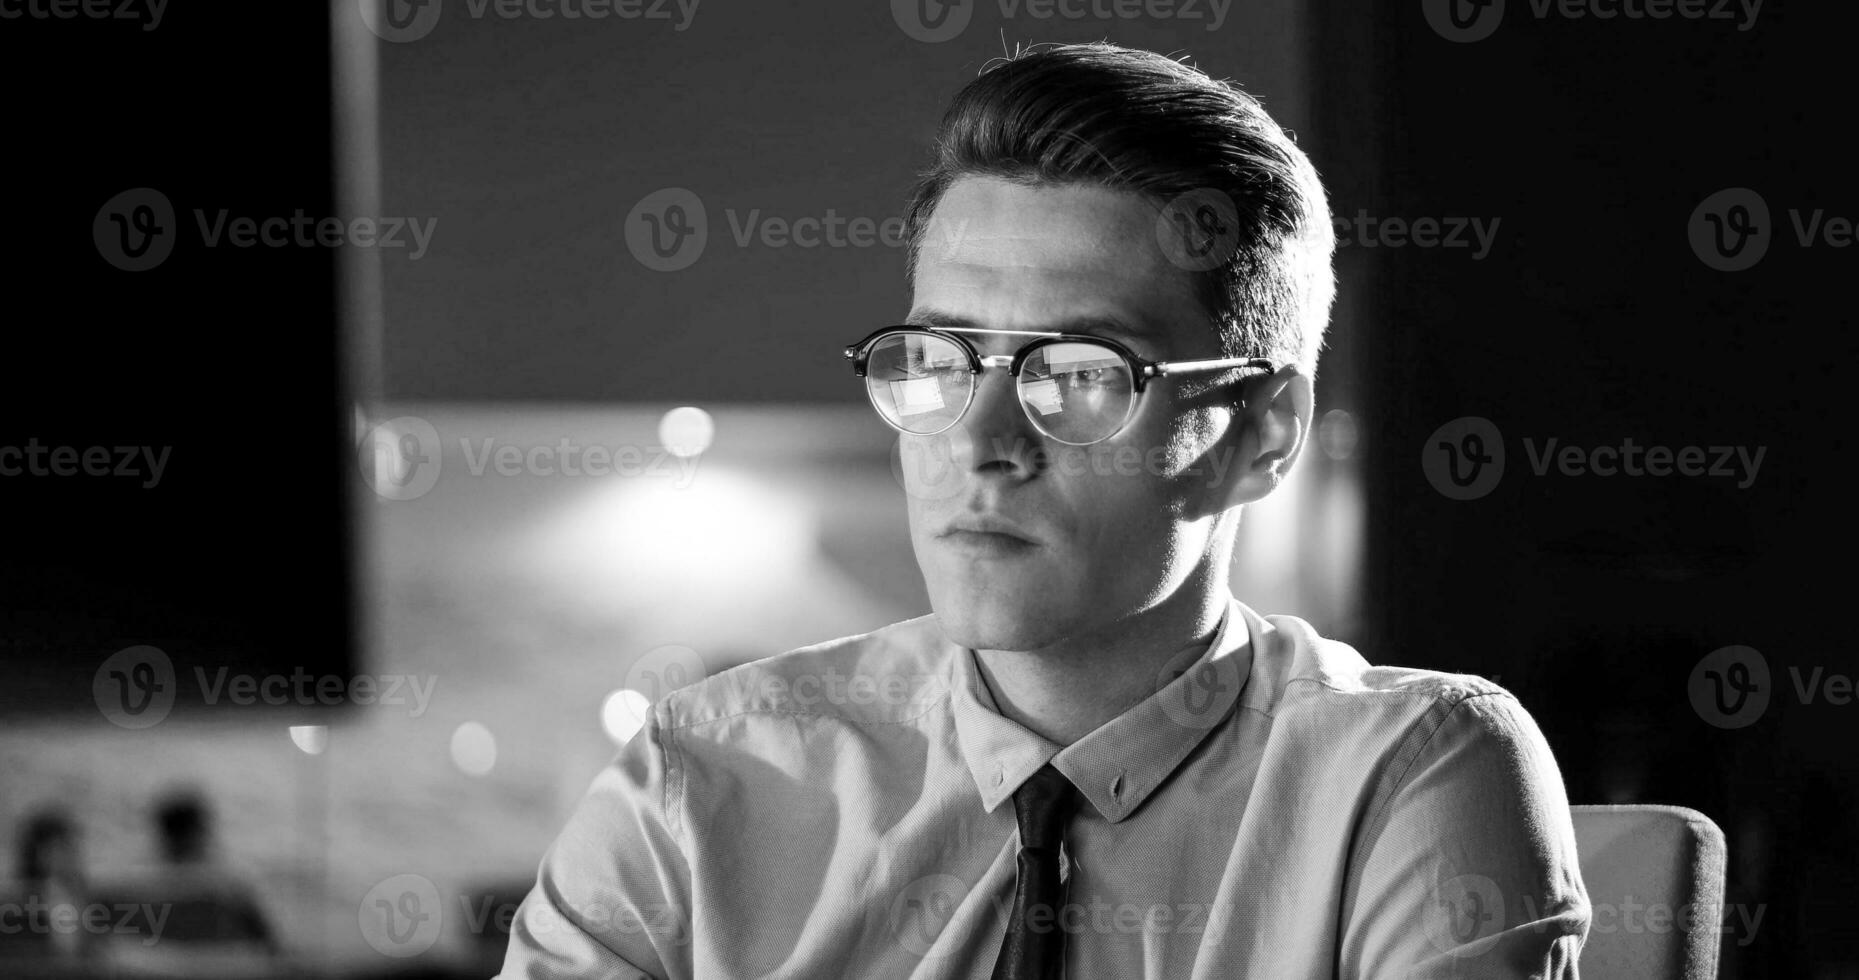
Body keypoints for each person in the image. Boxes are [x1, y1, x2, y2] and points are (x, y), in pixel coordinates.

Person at [499, 42, 1589, 978]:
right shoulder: (702, 776)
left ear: (1258, 431)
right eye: (938, 358)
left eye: (1076, 370)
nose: (977, 441)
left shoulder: (1407, 771)